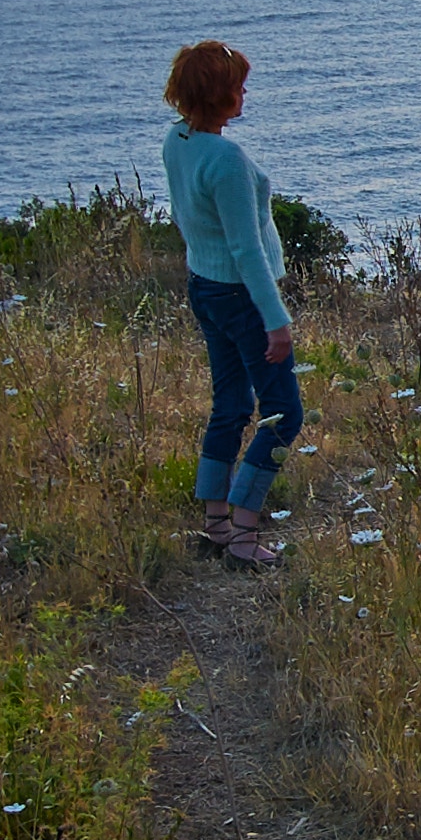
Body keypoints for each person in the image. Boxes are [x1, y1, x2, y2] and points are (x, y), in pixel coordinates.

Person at [160, 40, 302, 567]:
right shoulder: (226, 160)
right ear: (219, 94)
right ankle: (244, 535)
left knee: (231, 406)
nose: (244, 93)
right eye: (238, 85)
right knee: (284, 414)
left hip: (204, 284)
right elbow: (245, 250)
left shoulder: (178, 141)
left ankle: (217, 522)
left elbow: (192, 223)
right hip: (241, 297)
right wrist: (276, 320)